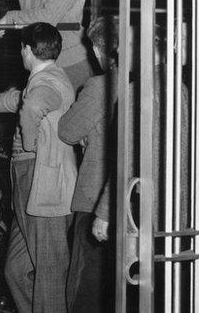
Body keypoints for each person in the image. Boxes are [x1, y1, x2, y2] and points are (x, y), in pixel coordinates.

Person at [0, 22, 76, 313]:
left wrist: (27, 143)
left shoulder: (47, 81)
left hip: (42, 182)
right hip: (31, 182)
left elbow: (33, 106)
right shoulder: (45, 77)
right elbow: (19, 99)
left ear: (26, 50)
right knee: (16, 269)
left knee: (49, 272)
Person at [58, 17, 116, 310]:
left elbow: (68, 130)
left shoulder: (99, 86)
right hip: (133, 202)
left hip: (95, 197)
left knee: (85, 283)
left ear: (97, 49)